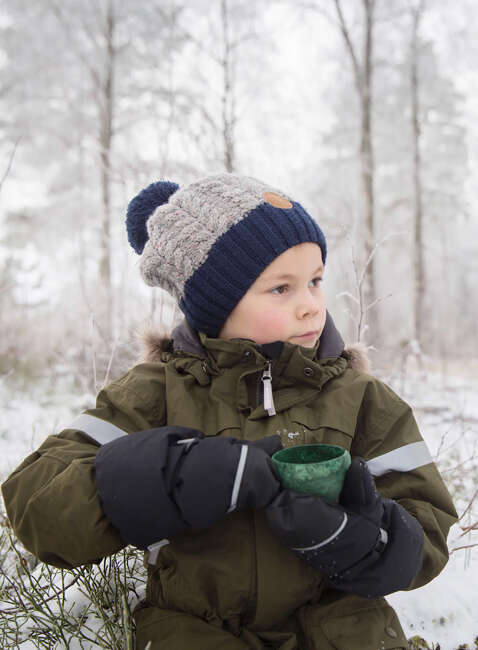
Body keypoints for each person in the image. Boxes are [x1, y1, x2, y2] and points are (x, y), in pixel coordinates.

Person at [2, 174, 457, 649]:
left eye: (315, 281)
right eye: (281, 288)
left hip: (344, 628)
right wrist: (167, 475)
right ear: (214, 306)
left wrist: (369, 538)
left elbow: (428, 528)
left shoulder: (362, 398)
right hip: (195, 630)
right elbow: (36, 506)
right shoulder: (153, 393)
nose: (310, 307)